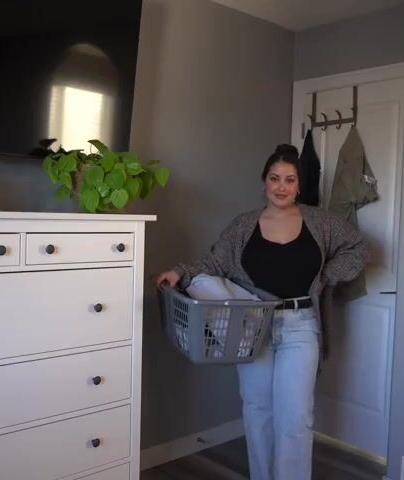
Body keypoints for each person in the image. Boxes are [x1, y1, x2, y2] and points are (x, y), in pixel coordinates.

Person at [154, 144, 369, 480]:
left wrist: (327, 275)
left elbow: (357, 248)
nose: (281, 186)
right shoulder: (243, 226)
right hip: (252, 328)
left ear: (299, 185)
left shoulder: (321, 222)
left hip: (301, 327)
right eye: (274, 178)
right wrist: (179, 271)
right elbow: (214, 261)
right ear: (264, 181)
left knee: (295, 417)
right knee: (258, 411)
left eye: (289, 179)